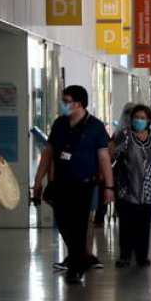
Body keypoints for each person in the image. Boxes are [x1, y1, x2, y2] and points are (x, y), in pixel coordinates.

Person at [33, 85, 115, 285]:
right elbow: (48, 152)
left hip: (84, 184)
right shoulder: (60, 123)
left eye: (66, 101)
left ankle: (76, 268)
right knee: (63, 223)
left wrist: (109, 187)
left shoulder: (95, 127)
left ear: (78, 104)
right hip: (61, 183)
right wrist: (38, 180)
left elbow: (104, 158)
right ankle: (80, 258)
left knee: (79, 226)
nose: (63, 105)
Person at [112, 105, 151, 266]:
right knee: (127, 224)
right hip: (126, 187)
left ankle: (142, 256)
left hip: (147, 189)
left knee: (144, 225)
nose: (138, 120)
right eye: (136, 117)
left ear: (148, 120)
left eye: (142, 118)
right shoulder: (125, 135)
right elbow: (111, 155)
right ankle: (125, 256)